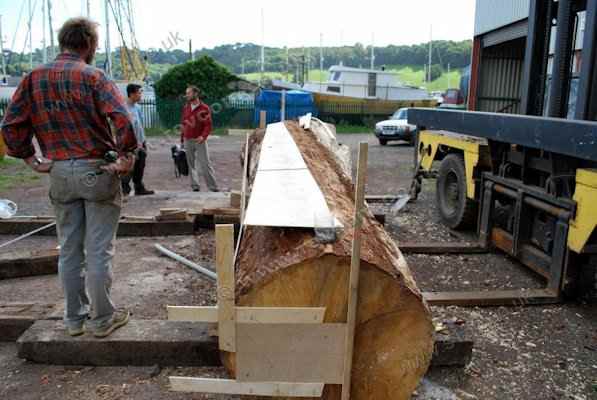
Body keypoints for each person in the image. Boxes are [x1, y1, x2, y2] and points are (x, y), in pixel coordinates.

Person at [1, 17, 136, 338]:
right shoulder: (94, 77)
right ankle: (102, 319)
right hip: (97, 169)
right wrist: (126, 156)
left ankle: (74, 319)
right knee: (99, 249)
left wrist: (31, 158)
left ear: (63, 41)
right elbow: (122, 119)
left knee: (69, 249)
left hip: (59, 170)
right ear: (89, 44)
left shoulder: (33, 78)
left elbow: (10, 125)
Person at [180, 85, 219, 192]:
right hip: (188, 139)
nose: (186, 95)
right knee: (191, 164)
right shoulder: (186, 107)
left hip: (199, 140)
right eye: (186, 93)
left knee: (205, 164)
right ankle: (195, 186)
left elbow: (208, 125)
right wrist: (182, 140)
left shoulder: (204, 108)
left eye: (189, 93)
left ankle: (213, 187)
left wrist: (203, 136)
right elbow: (183, 124)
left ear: (196, 94)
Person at [121, 84, 154, 196]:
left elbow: (139, 125)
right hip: (129, 144)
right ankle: (124, 188)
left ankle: (139, 187)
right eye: (139, 93)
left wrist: (143, 141)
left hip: (141, 142)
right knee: (129, 166)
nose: (141, 95)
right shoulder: (123, 109)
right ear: (132, 94)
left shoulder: (138, 107)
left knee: (141, 165)